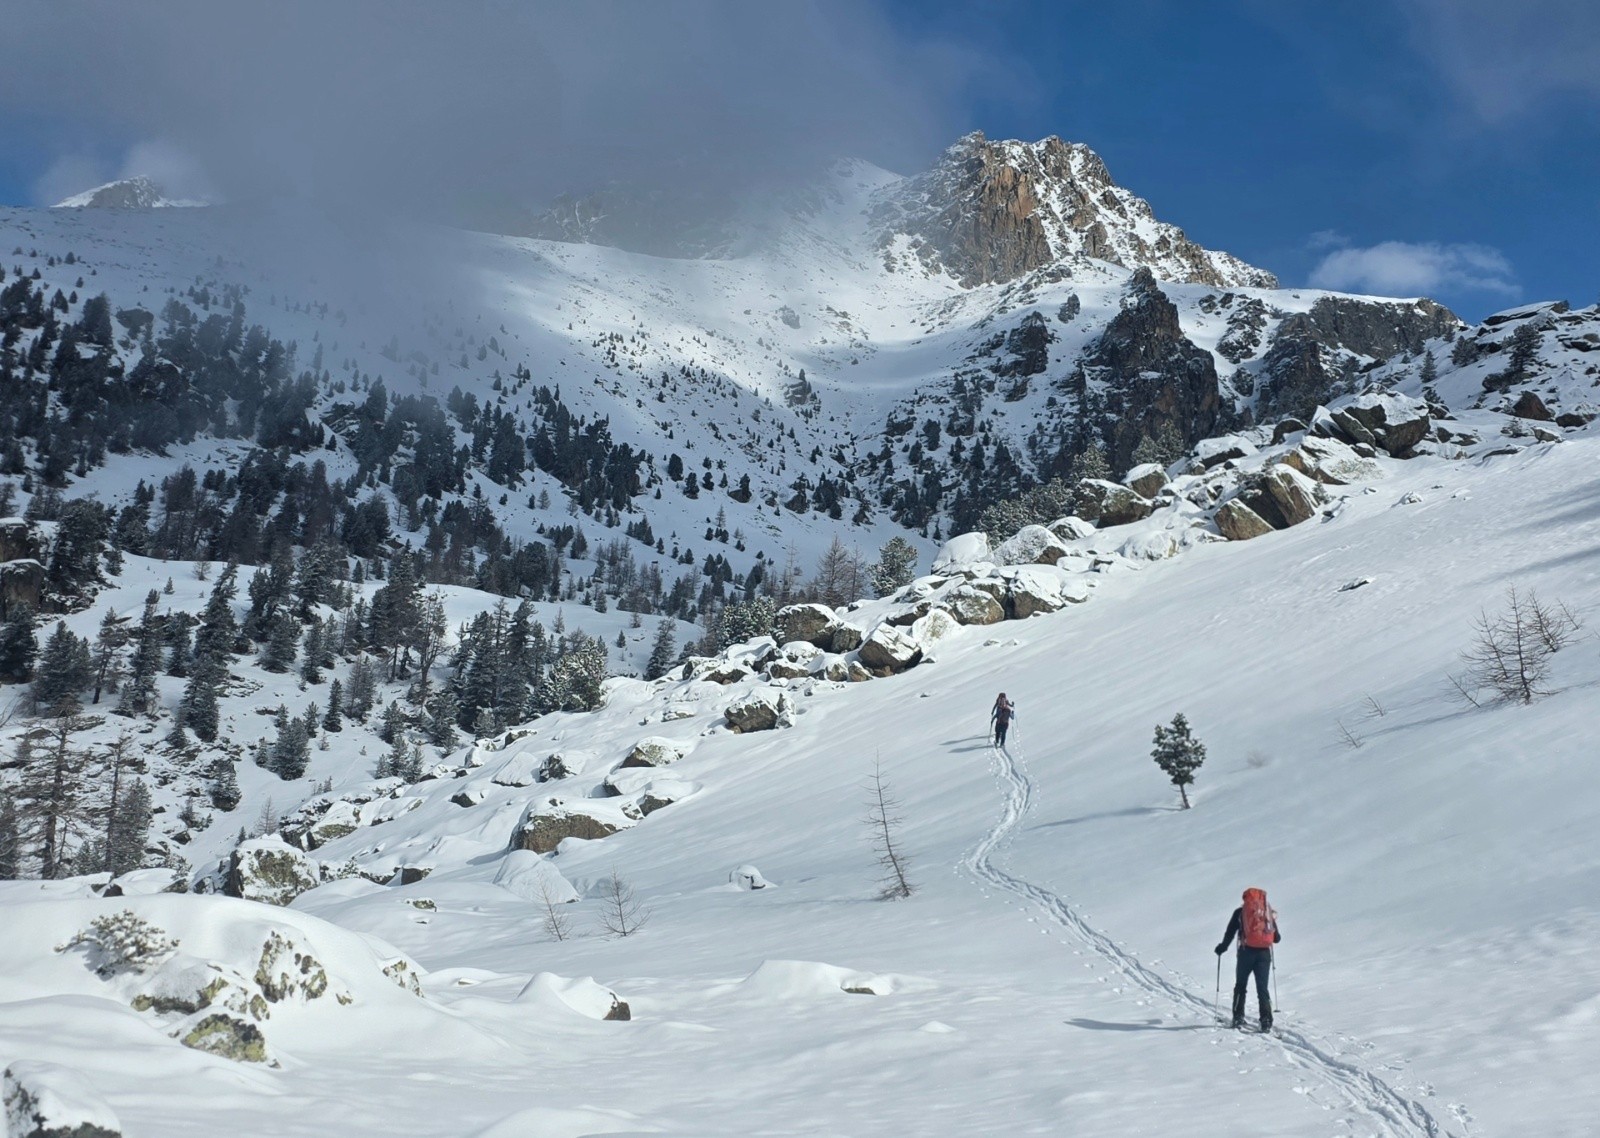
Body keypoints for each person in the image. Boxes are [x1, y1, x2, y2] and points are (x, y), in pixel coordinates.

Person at [1215, 887, 1280, 1030]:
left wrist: (1222, 947)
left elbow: (1230, 933)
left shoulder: (1240, 913)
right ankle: (1266, 1021)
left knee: (1240, 986)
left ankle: (1238, 1018)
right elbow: (1277, 938)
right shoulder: (1267, 913)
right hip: (1264, 955)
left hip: (1246, 953)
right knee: (1262, 989)